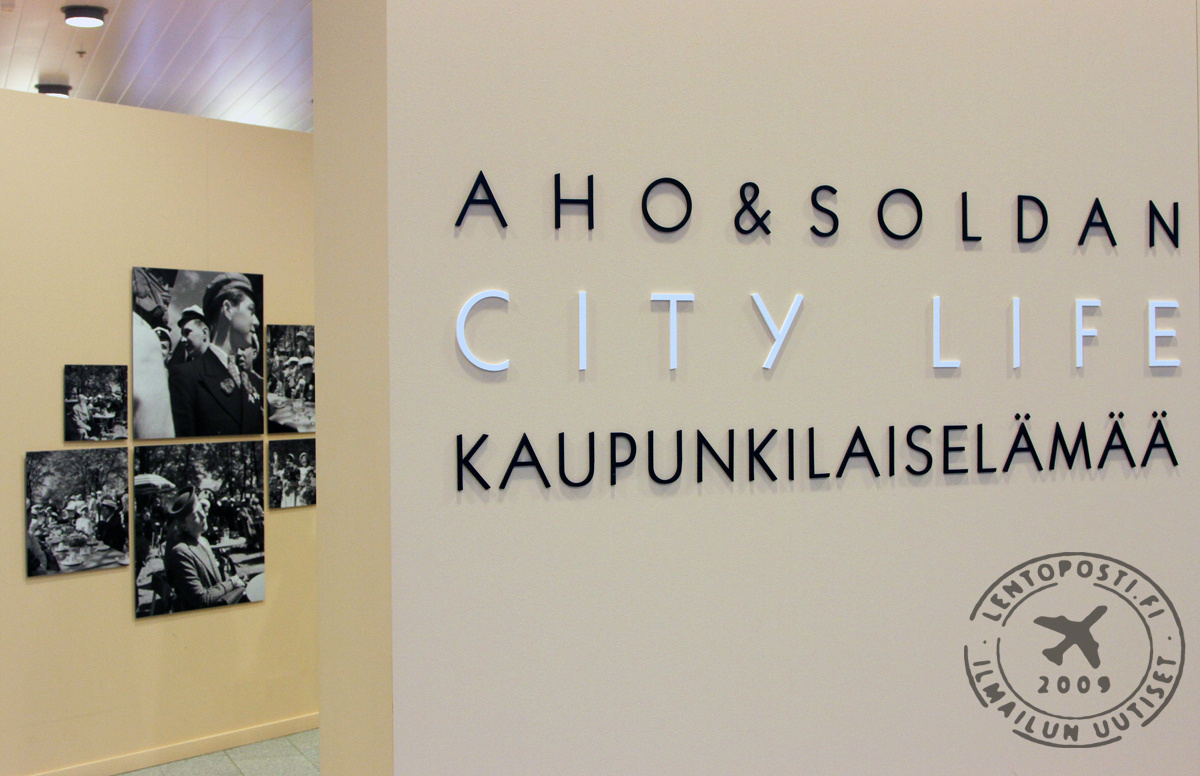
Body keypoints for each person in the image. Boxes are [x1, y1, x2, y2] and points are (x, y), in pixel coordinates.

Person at [167, 273, 264, 436]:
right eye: (251, 310)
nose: (256, 321)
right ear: (228, 309)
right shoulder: (186, 377)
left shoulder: (250, 380)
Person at [163, 487, 246, 611]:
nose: (203, 516)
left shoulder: (203, 540)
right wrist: (231, 583)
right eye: (195, 516)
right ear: (183, 525)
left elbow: (214, 582)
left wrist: (221, 569)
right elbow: (202, 599)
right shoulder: (181, 552)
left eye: (201, 509)